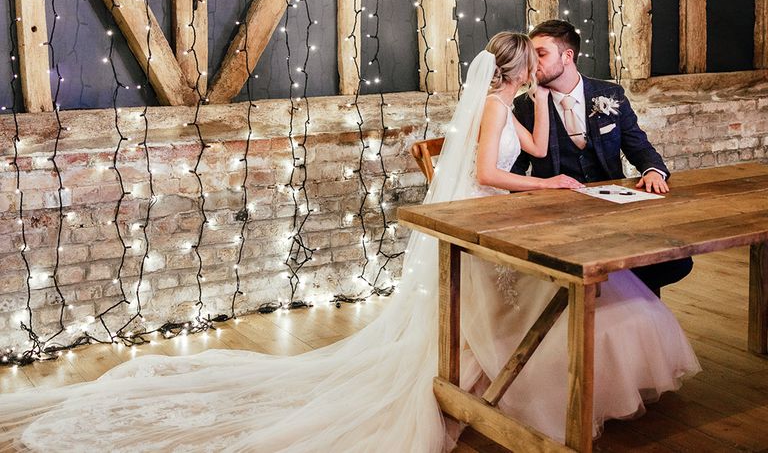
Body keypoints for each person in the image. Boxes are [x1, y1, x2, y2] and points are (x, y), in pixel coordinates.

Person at [0, 33, 699, 452]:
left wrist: (541, 106)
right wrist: (547, 191)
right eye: (532, 67)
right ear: (518, 69)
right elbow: (491, 173)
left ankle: (511, 386)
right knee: (554, 289)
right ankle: (505, 393)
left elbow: (539, 147)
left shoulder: (516, 105)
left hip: (512, 217)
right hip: (490, 218)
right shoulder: (490, 109)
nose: (536, 74)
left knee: (596, 287)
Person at [511, 20, 693, 295]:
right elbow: (515, 169)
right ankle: (619, 303)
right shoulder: (525, 106)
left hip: (613, 207)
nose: (532, 62)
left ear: (567, 56)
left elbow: (637, 145)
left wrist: (653, 170)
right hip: (559, 217)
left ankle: (631, 307)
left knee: (676, 261)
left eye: (541, 53)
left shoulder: (609, 94)